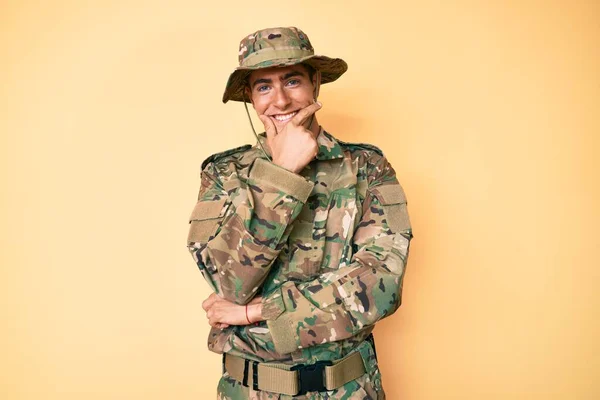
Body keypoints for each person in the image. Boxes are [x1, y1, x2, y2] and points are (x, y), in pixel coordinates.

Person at [186, 26, 413, 400]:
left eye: (292, 81)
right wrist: (281, 174)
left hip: (348, 389)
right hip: (249, 390)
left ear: (315, 84)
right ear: (250, 98)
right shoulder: (224, 174)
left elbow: (380, 285)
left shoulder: (367, 168)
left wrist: (254, 312)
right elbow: (228, 282)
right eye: (263, 87)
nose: (280, 100)